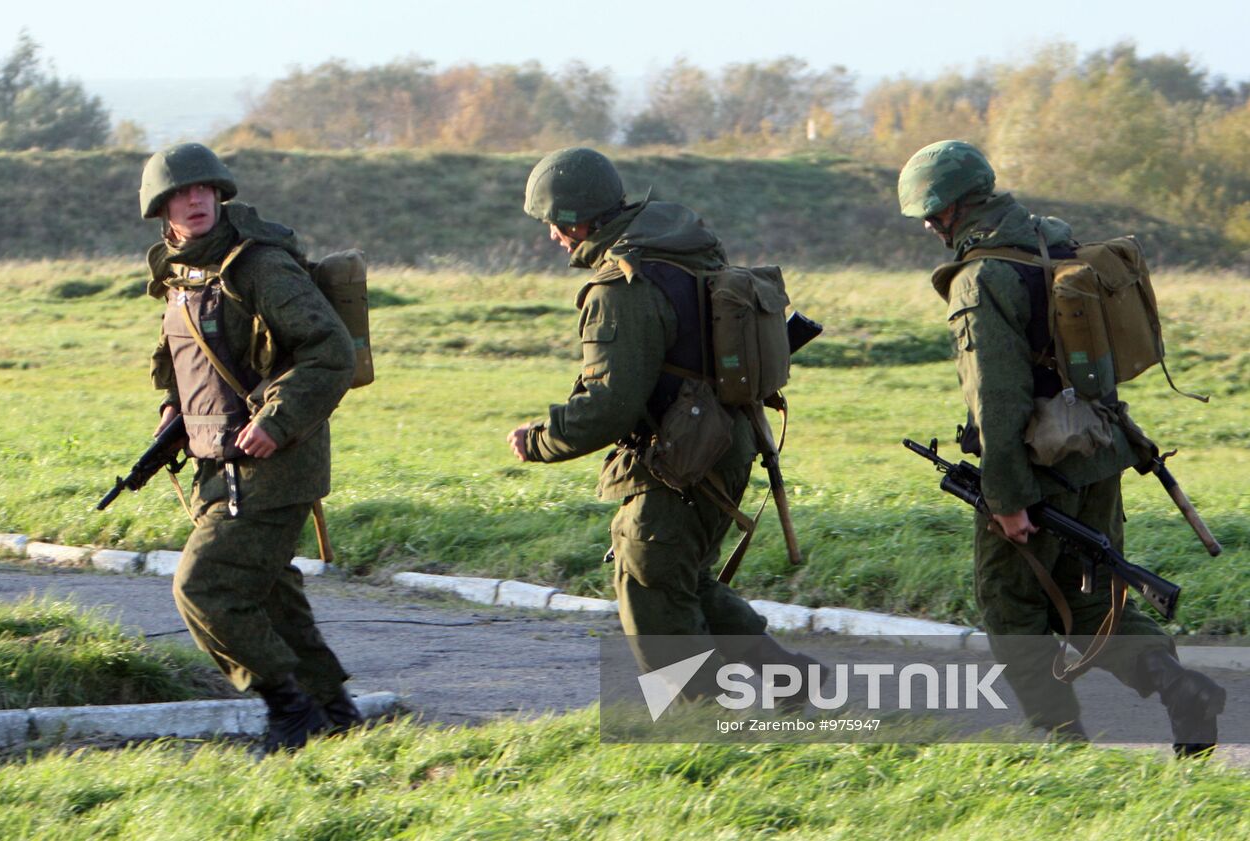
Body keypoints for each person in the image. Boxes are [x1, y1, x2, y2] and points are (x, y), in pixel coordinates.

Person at [897, 139, 1225, 755]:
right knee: (1093, 595)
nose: (928, 225)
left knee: (1011, 607)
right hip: (1100, 447)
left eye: (932, 213)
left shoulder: (980, 278)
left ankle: (1061, 744)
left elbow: (995, 400)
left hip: (1036, 465)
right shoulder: (1057, 243)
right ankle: (1182, 689)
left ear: (954, 210)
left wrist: (1008, 498)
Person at [508, 147, 820, 702]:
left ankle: (702, 719)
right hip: (729, 438)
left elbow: (610, 404)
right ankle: (794, 683)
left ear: (576, 219)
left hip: (681, 456)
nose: (552, 236)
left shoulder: (621, 285)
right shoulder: (686, 248)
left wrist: (538, 440)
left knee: (648, 584)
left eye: (553, 224)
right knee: (685, 580)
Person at [137, 142, 359, 752]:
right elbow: (180, 362)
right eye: (183, 192)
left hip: (273, 461)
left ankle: (289, 711)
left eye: (206, 188)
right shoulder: (181, 276)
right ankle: (334, 716)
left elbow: (330, 351)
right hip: (219, 460)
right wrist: (173, 413)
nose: (197, 198)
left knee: (203, 587)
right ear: (162, 207)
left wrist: (278, 421)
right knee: (268, 595)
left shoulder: (258, 266)